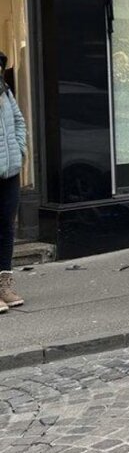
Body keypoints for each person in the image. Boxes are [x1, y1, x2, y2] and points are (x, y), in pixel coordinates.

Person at [0, 51, 25, 312]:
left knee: (6, 227)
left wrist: (19, 151)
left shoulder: (5, 92)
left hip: (10, 171)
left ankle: (4, 286)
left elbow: (19, 122)